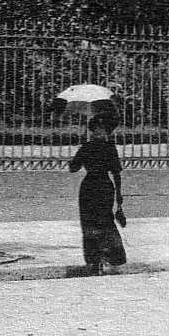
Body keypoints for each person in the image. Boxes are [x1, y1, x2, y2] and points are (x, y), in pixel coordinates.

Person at [67, 100, 127, 275]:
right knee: (105, 222)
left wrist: (78, 153)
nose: (99, 132)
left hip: (89, 187)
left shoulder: (86, 147)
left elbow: (73, 168)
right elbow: (116, 172)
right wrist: (119, 197)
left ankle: (94, 260)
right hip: (104, 187)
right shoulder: (110, 148)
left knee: (90, 224)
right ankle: (109, 258)